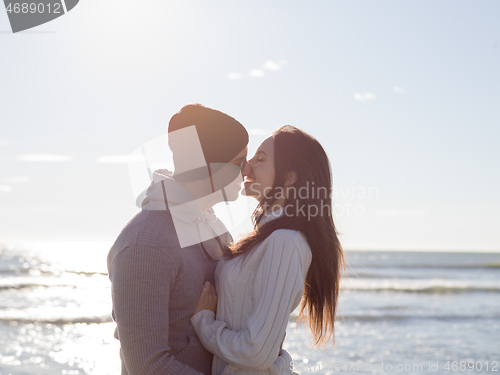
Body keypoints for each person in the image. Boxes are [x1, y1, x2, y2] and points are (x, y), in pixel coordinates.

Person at [191, 125, 345, 375]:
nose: (246, 166)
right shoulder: (263, 238)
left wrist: (205, 324)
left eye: (260, 159)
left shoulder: (285, 243)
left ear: (289, 177)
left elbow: (257, 352)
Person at [107, 104, 249, 375]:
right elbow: (147, 366)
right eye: (240, 162)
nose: (248, 171)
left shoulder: (215, 229)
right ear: (211, 166)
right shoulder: (146, 244)